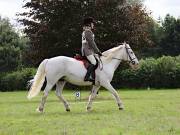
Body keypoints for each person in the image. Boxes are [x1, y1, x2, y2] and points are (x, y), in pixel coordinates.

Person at [81, 17, 102, 83]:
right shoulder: (88, 32)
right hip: (87, 50)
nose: (93, 25)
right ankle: (87, 77)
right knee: (94, 62)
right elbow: (91, 43)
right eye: (92, 23)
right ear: (89, 24)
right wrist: (97, 51)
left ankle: (94, 78)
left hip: (89, 50)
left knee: (96, 61)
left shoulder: (86, 31)